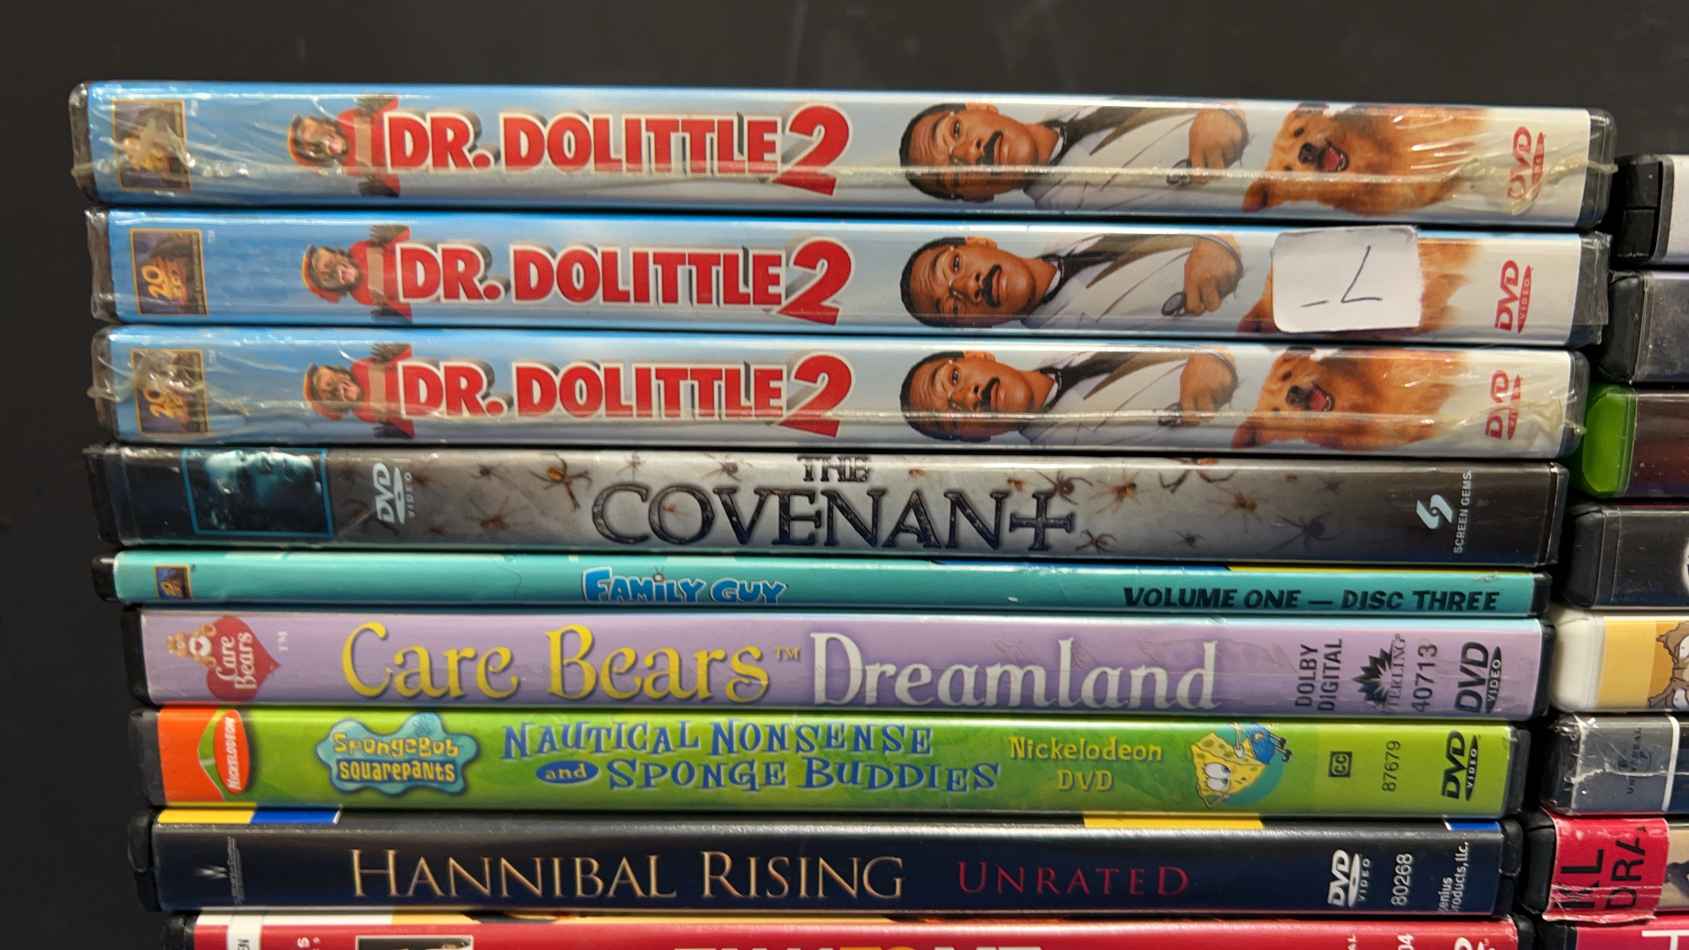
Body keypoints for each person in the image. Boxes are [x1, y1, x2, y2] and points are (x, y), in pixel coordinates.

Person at [899, 101, 1248, 210]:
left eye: (955, 131)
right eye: (955, 174)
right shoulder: (1086, 210)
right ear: (978, 198)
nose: (969, 153)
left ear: (981, 107)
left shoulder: (1071, 104)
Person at [899, 233, 1243, 330]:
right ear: (975, 329)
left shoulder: (1065, 234)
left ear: (979, 241)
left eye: (955, 265)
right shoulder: (1078, 339)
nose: (968, 287)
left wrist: (1220, 241)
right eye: (953, 308)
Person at [898, 348, 1237, 445]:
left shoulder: (1063, 344)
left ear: (978, 354)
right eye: (955, 419)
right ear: (976, 438)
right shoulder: (1079, 453)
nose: (967, 398)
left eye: (954, 378)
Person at [286, 95, 404, 196]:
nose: (328, 138)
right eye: (317, 137)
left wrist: (380, 102)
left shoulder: (346, 118)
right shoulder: (351, 165)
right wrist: (384, 189)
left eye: (320, 127)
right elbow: (393, 185)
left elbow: (393, 101)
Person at [302, 343, 417, 438]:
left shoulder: (359, 368)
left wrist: (399, 350)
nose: (339, 389)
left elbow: (406, 353)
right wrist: (401, 431)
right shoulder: (363, 413)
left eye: (332, 380)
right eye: (331, 396)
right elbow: (401, 419)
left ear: (342, 373)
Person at [301, 225, 414, 317]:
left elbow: (403, 238)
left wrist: (395, 232)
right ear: (332, 290)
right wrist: (395, 315)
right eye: (327, 276)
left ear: (339, 253)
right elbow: (401, 304)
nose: (334, 269)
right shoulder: (361, 296)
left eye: (331, 261)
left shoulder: (358, 249)